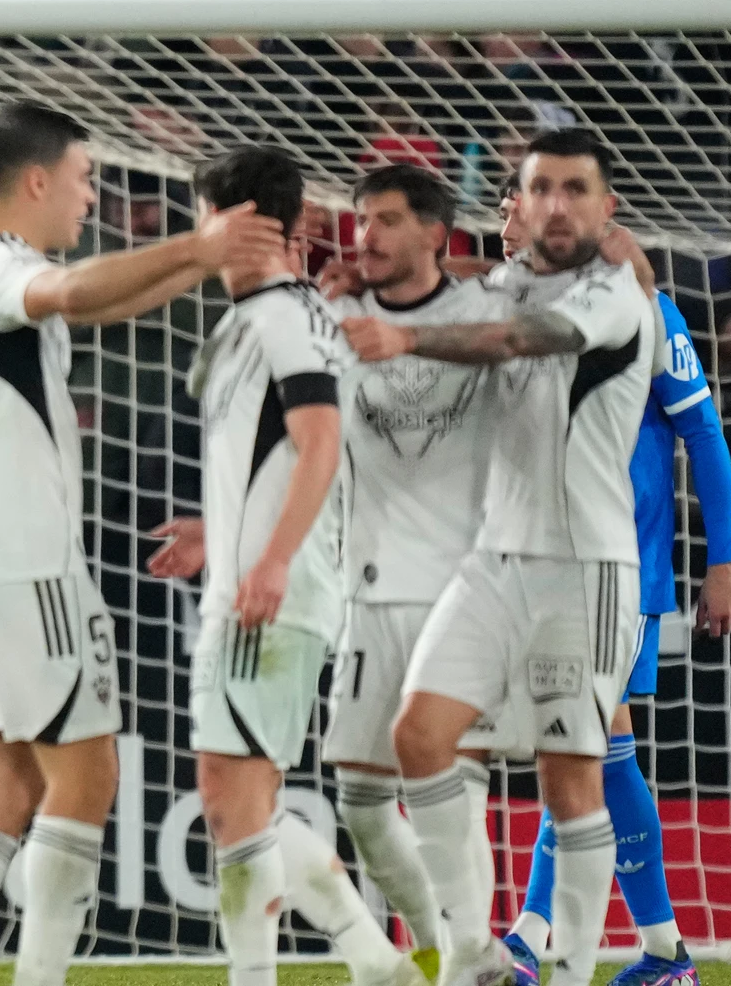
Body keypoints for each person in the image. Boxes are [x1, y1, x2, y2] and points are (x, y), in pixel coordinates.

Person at [0, 102, 286, 986]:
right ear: (37, 181)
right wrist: (197, 245)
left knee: (7, 786)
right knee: (85, 780)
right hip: (24, 560)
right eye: (84, 178)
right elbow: (74, 293)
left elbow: (97, 303)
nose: (91, 197)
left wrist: (202, 261)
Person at [340, 128, 659, 986]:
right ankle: (476, 955)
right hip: (491, 562)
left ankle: (572, 971)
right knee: (420, 736)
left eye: (575, 189)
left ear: (606, 207)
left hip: (584, 569)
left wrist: (405, 338)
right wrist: (370, 277)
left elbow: (520, 336)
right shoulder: (504, 281)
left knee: (570, 778)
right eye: (541, 187)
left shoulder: (615, 293)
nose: (556, 204)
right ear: (516, 200)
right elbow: (456, 294)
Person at [147, 148, 424, 986]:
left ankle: (337, 965)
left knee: (233, 804)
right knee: (242, 804)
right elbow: (272, 455)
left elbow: (320, 444)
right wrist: (220, 530)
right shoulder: (257, 317)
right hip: (256, 583)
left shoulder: (286, 318)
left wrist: (270, 558)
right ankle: (378, 962)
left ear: (239, 222)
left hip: (272, 595)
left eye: (205, 215)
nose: (199, 232)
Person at [500, 227, 731, 986]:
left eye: (519, 210)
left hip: (621, 564)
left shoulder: (647, 311)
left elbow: (703, 430)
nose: (508, 227)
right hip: (544, 560)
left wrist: (724, 560)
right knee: (585, 747)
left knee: (587, 741)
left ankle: (532, 938)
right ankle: (661, 953)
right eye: (505, 209)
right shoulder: (521, 314)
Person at [306, 165, 504, 975]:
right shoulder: (335, 315)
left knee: (457, 786)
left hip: (465, 589)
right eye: (362, 221)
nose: (366, 236)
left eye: (387, 220)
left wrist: (453, 279)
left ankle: (464, 959)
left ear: (434, 231)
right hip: (371, 585)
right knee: (359, 801)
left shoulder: (482, 310)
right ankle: (442, 941)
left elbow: (547, 283)